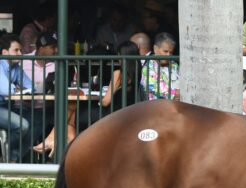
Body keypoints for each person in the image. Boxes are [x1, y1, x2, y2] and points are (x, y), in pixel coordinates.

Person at [34, 40, 143, 156]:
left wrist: (96, 99)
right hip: (120, 113)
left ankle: (56, 141)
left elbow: (106, 102)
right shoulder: (137, 73)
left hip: (108, 115)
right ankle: (66, 144)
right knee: (71, 115)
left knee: (71, 108)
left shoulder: (118, 74)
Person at [0, 34, 33, 162]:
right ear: (4, 52)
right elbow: (6, 91)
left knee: (33, 122)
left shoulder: (16, 68)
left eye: (20, 50)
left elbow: (31, 87)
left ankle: (11, 159)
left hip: (8, 107)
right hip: (2, 107)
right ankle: (8, 156)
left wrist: (18, 90)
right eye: (16, 50)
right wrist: (18, 89)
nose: (20, 53)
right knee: (22, 125)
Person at [140, 32, 180, 101]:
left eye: (171, 52)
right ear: (155, 49)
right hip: (157, 107)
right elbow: (160, 89)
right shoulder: (149, 67)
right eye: (165, 51)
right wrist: (177, 93)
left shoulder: (174, 64)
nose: (168, 55)